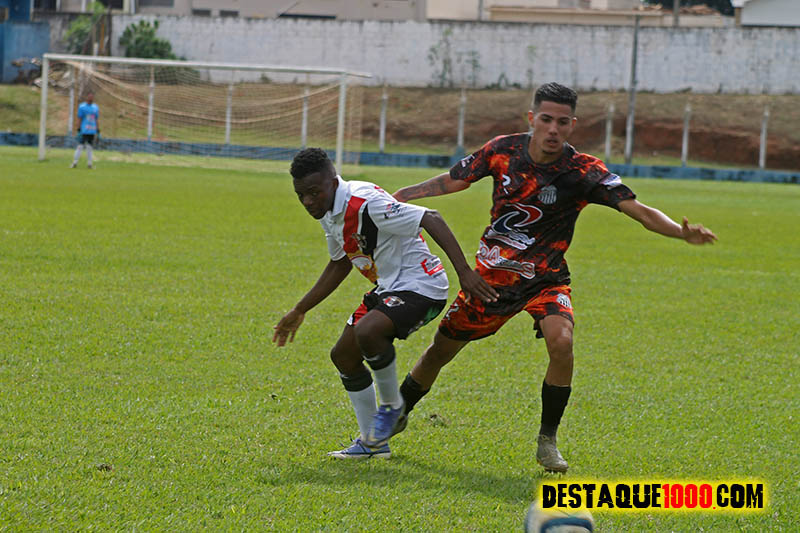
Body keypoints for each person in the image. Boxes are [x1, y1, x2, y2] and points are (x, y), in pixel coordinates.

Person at [392, 82, 717, 473]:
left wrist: (680, 232)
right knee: (440, 352)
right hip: (491, 281)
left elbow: (639, 211)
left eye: (562, 122)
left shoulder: (583, 171)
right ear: (532, 118)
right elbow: (456, 179)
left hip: (546, 281)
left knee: (562, 343)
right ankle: (397, 412)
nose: (553, 129)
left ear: (572, 125)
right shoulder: (502, 150)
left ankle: (547, 441)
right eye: (546, 119)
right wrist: (406, 195)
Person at [273, 148, 498, 459]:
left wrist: (464, 273)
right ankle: (373, 443)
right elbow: (340, 262)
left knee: (368, 331)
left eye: (314, 192)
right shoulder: (329, 211)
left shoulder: (365, 202)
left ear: (333, 182)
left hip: (423, 285)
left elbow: (431, 217)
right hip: (389, 288)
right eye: (301, 195)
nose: (308, 202)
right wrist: (300, 309)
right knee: (343, 355)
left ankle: (392, 410)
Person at [71, 92, 100, 169]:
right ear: (87, 97)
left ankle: (89, 164)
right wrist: (78, 128)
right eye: (89, 96)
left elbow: (96, 119)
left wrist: (98, 130)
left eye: (92, 97)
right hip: (84, 130)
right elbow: (79, 118)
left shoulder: (95, 107)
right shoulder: (82, 107)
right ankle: (75, 162)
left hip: (92, 130)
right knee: (80, 146)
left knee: (89, 147)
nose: (91, 98)